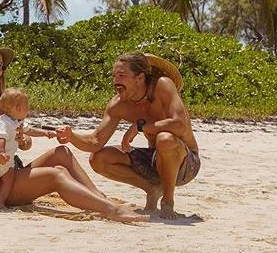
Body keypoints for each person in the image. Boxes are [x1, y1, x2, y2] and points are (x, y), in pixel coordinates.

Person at [0, 42, 148, 222]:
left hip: (12, 170)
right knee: (56, 174)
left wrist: (23, 141)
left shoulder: (4, 102)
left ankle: (100, 199)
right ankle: (111, 210)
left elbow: (24, 143)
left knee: (62, 153)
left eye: (1, 67)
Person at [56, 52, 200, 219]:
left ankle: (168, 202)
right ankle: (151, 188)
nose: (116, 81)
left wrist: (140, 127)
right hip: (154, 163)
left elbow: (180, 125)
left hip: (186, 164)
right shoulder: (118, 104)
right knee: (98, 158)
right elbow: (95, 142)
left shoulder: (163, 86)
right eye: (114, 76)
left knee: (165, 139)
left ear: (140, 78)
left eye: (122, 75)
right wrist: (72, 136)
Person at [0, 88, 56, 208]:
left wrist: (45, 133)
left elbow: (30, 130)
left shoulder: (17, 122)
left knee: (9, 180)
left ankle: (0, 200)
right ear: (17, 108)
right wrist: (1, 153)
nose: (28, 110)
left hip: (8, 160)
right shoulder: (4, 123)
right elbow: (1, 138)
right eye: (26, 107)